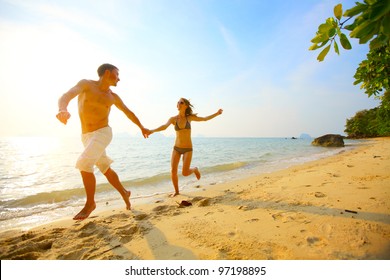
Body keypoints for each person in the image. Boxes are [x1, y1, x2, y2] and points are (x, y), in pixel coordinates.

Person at [56, 63, 149, 220]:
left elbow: (129, 113)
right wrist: (62, 109)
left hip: (103, 133)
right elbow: (66, 96)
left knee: (84, 163)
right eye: (116, 74)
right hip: (86, 136)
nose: (119, 78)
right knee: (105, 167)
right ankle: (125, 193)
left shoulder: (113, 97)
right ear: (107, 73)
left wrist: (141, 127)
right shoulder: (86, 84)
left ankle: (90, 203)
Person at [148, 98, 223, 196]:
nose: (179, 103)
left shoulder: (190, 118)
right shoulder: (173, 119)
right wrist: (152, 131)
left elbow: (204, 119)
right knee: (173, 170)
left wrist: (216, 113)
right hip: (177, 148)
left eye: (181, 102)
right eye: (178, 102)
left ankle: (194, 169)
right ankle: (177, 191)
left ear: (186, 106)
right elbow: (164, 126)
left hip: (188, 149)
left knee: (185, 173)